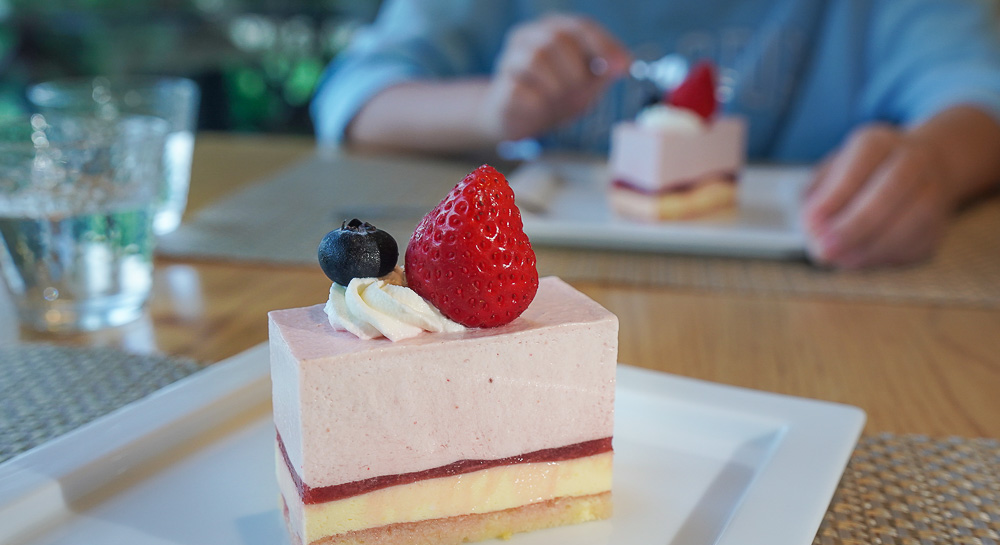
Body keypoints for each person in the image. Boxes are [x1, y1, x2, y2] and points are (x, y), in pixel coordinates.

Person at [311, 0, 1000, 270]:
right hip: (553, 276)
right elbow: (356, 97)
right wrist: (496, 109)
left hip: (828, 300)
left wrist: (931, 162)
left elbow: (977, 90)